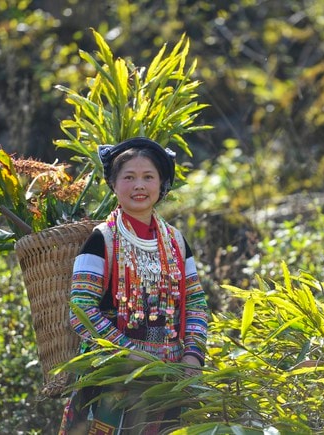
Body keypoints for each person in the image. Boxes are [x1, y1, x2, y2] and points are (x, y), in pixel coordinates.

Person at [59, 137, 208, 434]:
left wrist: (192, 356)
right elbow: (81, 311)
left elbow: (196, 305)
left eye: (148, 177)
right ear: (114, 185)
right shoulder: (101, 240)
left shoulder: (176, 242)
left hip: (168, 378)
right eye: (129, 177)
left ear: (161, 185)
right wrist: (129, 352)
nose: (139, 185)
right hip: (110, 379)